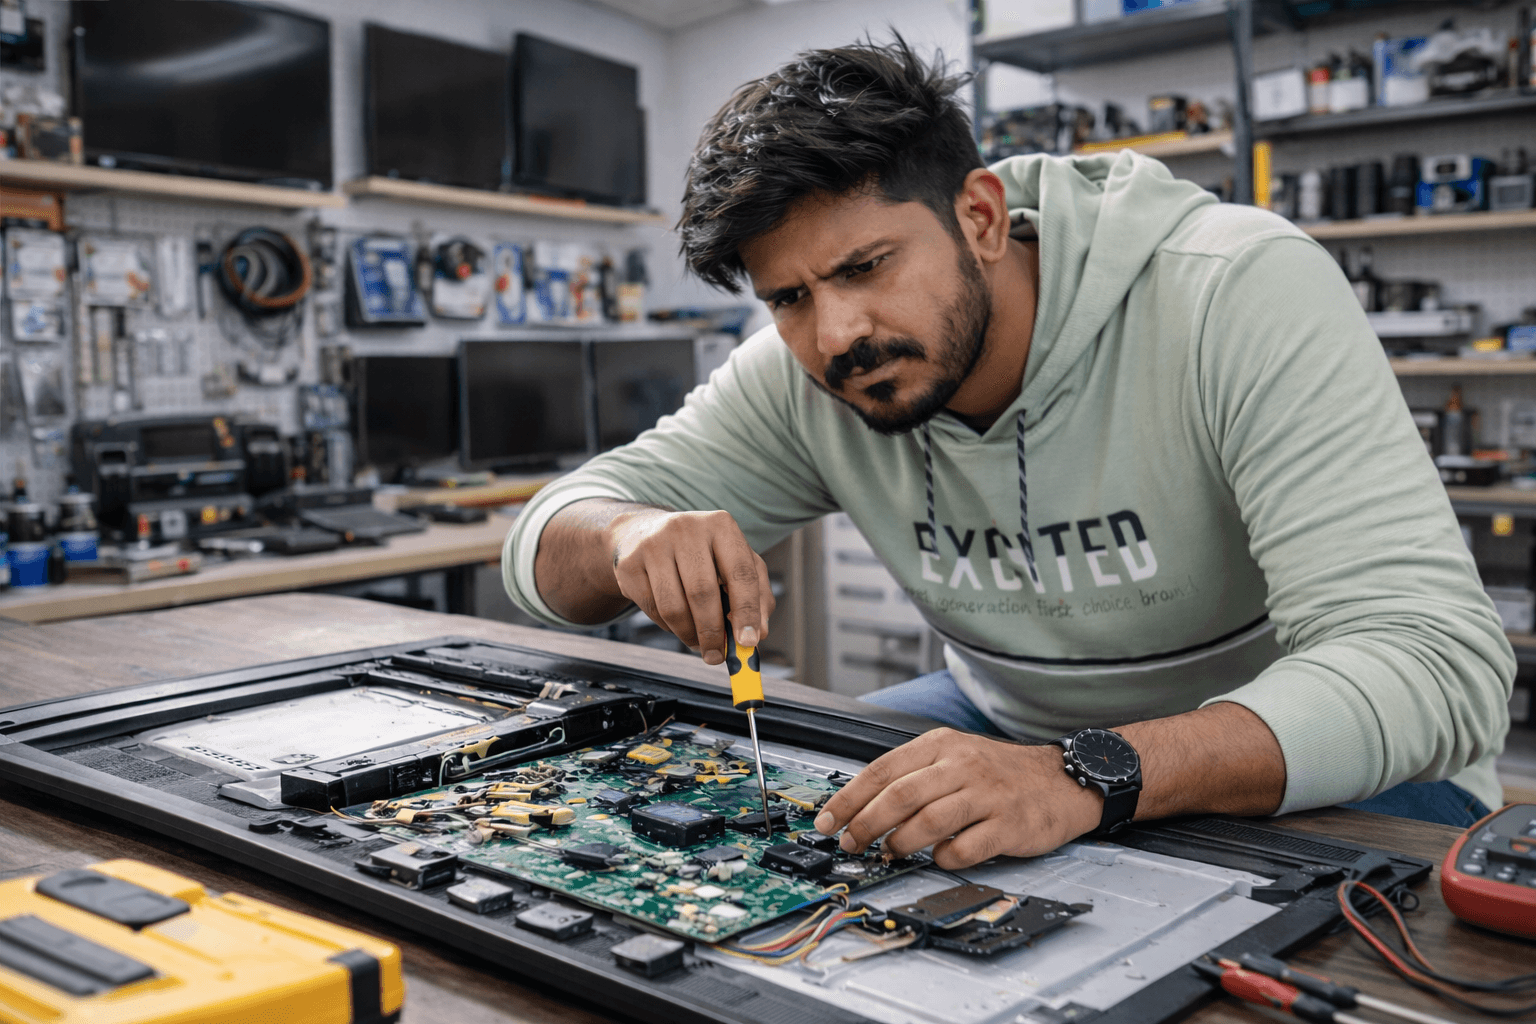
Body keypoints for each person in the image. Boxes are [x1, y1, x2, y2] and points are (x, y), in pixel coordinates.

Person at [502, 39, 1512, 869]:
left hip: (1326, 761)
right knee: (772, 827)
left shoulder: (1232, 291)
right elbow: (544, 544)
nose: (837, 332)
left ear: (980, 216)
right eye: (790, 296)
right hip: (1013, 725)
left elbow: (1430, 666)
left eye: (867, 266)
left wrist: (1082, 774)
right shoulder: (800, 370)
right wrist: (626, 534)